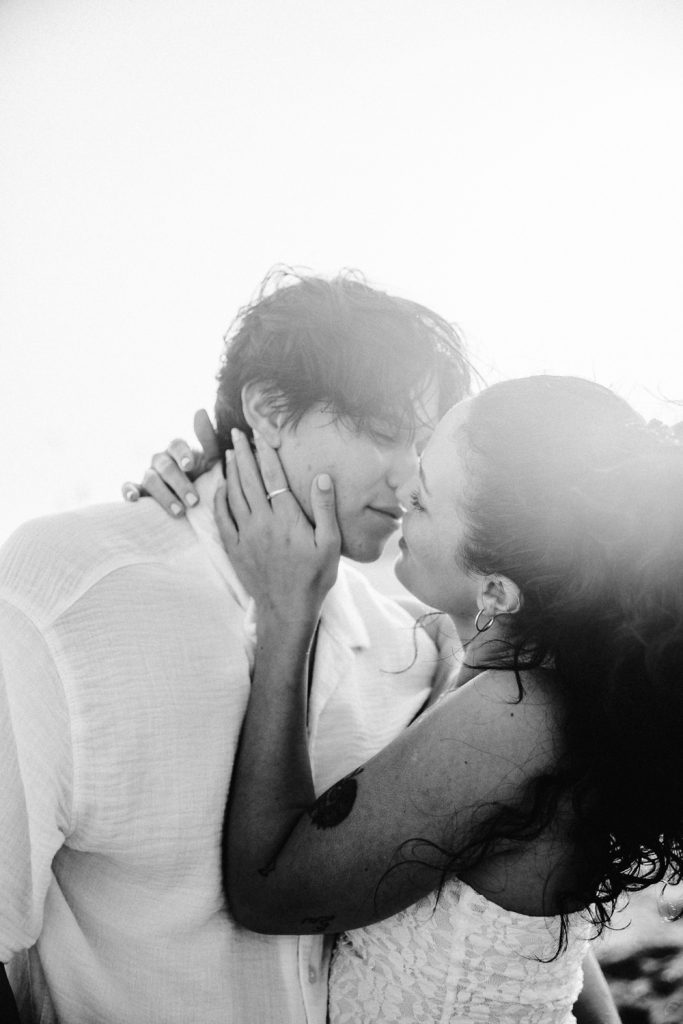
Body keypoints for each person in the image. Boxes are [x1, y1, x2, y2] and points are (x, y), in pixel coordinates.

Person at [0, 270, 473, 1023]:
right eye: (384, 432)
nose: (410, 476)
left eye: (424, 444)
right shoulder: (64, 596)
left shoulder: (407, 651)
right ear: (268, 408)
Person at [185, 374, 680, 1023]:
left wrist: (285, 613)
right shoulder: (540, 681)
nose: (402, 493)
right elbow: (547, 944)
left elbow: (268, 892)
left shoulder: (513, 717)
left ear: (496, 593)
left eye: (423, 501)